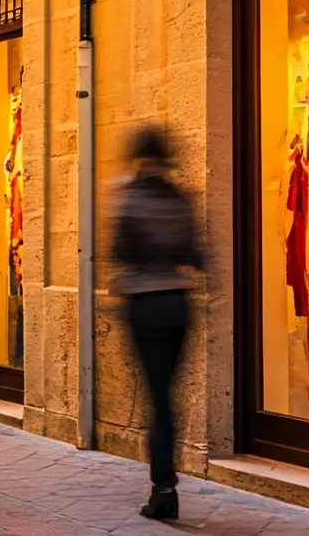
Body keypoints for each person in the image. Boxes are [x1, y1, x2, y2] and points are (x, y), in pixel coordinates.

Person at [110, 124, 204, 521]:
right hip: (178, 303)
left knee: (157, 397)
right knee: (169, 395)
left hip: (146, 305)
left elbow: (118, 251)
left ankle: (163, 490)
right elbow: (198, 254)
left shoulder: (130, 199)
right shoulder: (181, 200)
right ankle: (166, 486)